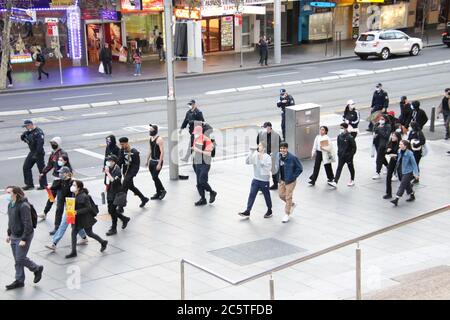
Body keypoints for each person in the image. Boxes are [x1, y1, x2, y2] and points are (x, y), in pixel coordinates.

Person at [5, 186, 44, 290]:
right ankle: (19, 280)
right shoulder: (10, 204)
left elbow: (28, 224)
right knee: (17, 260)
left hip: (23, 235)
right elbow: (11, 220)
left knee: (20, 258)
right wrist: (9, 234)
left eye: (9, 193)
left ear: (16, 194)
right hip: (14, 235)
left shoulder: (23, 206)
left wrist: (23, 239)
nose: (7, 195)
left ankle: (36, 268)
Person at [45, 167, 88, 250]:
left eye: (62, 173)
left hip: (71, 205)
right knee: (75, 224)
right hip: (68, 204)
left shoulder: (73, 182)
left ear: (67, 173)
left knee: (63, 225)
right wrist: (48, 189)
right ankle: (84, 237)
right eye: (59, 173)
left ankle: (54, 243)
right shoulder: (60, 181)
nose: (60, 174)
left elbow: (81, 191)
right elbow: (52, 190)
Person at [65, 180, 108, 259]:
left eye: (74, 185)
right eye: (72, 185)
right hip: (76, 219)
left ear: (79, 187)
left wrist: (77, 212)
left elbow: (88, 208)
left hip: (85, 219)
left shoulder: (84, 196)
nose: (72, 186)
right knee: (73, 233)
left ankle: (103, 242)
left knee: (89, 233)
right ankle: (73, 252)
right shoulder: (73, 194)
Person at [238, 142, 273, 219]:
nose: (258, 146)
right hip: (256, 179)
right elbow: (247, 162)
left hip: (264, 180)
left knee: (267, 196)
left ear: (264, 148)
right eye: (258, 145)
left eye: (260, 145)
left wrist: (261, 160)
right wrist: (251, 152)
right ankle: (248, 211)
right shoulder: (255, 155)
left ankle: (269, 210)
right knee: (252, 195)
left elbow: (268, 168)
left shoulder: (267, 157)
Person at [39, 137, 68, 220]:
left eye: (54, 143)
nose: (53, 145)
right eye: (52, 143)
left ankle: (66, 218)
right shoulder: (53, 154)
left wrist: (64, 177)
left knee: (60, 201)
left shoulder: (63, 154)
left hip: (62, 181)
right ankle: (45, 212)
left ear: (58, 144)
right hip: (56, 179)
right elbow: (50, 165)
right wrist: (43, 172)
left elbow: (67, 167)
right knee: (51, 197)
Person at [274, 142, 303, 223]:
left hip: (290, 181)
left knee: (288, 197)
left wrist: (293, 176)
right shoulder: (278, 156)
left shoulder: (292, 157)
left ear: (287, 149)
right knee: (280, 195)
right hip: (282, 180)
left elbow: (300, 168)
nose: (282, 150)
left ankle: (287, 214)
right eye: (281, 148)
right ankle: (292, 204)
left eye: (284, 148)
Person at [118, 137, 149, 208]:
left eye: (122, 144)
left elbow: (136, 165)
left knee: (124, 187)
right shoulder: (121, 151)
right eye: (120, 144)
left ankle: (121, 206)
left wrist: (132, 174)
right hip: (125, 171)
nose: (121, 146)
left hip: (131, 172)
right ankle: (143, 198)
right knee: (131, 187)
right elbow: (120, 162)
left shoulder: (134, 152)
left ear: (126, 143)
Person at [104, 155, 130, 236]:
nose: (108, 162)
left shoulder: (117, 170)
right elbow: (107, 180)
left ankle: (114, 228)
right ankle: (124, 219)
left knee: (112, 210)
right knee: (110, 210)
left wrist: (107, 172)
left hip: (116, 192)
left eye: (110, 160)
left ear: (114, 162)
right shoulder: (109, 168)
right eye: (108, 160)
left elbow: (114, 181)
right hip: (110, 191)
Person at [192, 125, 217, 206]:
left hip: (205, 163)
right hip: (197, 162)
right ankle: (203, 199)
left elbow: (208, 153)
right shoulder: (196, 139)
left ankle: (212, 192)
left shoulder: (207, 140)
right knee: (198, 183)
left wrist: (198, 150)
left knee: (202, 181)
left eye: (196, 133)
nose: (195, 134)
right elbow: (194, 148)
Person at [390, 140, 419, 206]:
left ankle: (396, 199)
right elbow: (399, 160)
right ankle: (412, 195)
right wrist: (394, 157)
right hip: (400, 170)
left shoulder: (410, 153)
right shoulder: (399, 151)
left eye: (401, 144)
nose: (399, 145)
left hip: (408, 172)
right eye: (399, 144)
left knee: (402, 185)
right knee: (407, 184)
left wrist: (416, 174)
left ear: (405, 146)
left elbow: (414, 164)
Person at [20, 120, 46, 190]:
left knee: (41, 169)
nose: (26, 128)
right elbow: (23, 138)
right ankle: (29, 184)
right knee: (26, 167)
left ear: (31, 124)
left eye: (27, 126)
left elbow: (40, 145)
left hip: (39, 153)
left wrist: (37, 154)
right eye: (25, 127)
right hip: (32, 152)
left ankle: (43, 185)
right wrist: (24, 137)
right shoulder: (28, 132)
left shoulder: (38, 132)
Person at [328, 123, 357, 188]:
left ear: (345, 128)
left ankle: (352, 180)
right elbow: (338, 145)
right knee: (339, 168)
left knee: (351, 168)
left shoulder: (350, 137)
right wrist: (339, 153)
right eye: (340, 128)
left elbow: (354, 147)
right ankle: (335, 182)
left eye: (342, 128)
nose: (340, 129)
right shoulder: (339, 136)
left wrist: (350, 155)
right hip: (341, 156)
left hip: (348, 157)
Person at [256, 122, 282, 190]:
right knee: (264, 171)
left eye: (265, 127)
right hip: (264, 155)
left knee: (273, 170)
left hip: (272, 156)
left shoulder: (276, 135)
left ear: (269, 127)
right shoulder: (263, 134)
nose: (264, 129)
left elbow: (279, 146)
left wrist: (274, 152)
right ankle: (263, 185)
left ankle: (275, 184)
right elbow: (258, 142)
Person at [147, 124, 166, 200]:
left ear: (155, 130)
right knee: (154, 178)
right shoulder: (150, 138)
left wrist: (159, 164)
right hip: (152, 161)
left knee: (155, 177)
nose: (150, 131)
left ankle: (163, 190)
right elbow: (150, 150)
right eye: (149, 130)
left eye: (151, 130)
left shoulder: (159, 139)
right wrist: (147, 160)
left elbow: (162, 152)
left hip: (157, 161)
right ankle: (158, 193)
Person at [383, 131, 402, 199]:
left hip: (400, 162)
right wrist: (388, 151)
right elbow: (386, 152)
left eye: (394, 136)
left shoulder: (400, 144)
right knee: (388, 176)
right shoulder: (391, 142)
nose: (392, 137)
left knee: (401, 177)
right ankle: (388, 193)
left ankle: (410, 190)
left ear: (397, 137)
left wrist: (395, 155)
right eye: (392, 135)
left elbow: (402, 154)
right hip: (392, 160)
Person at [372, 115, 391, 180]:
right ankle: (389, 167)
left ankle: (378, 172)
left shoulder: (388, 126)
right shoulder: (377, 124)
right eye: (380, 119)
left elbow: (386, 136)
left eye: (382, 119)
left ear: (385, 120)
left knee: (379, 158)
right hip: (377, 143)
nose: (381, 120)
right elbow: (374, 131)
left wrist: (379, 129)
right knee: (382, 157)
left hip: (383, 144)